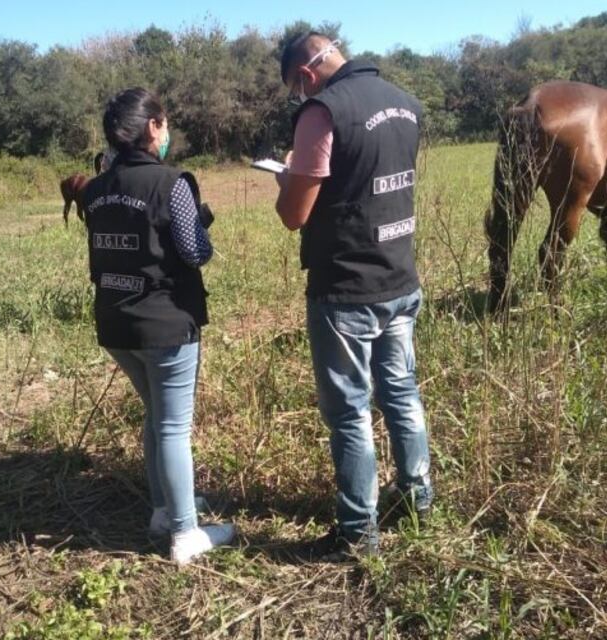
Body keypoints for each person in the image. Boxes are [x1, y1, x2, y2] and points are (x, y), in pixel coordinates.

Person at [273, 33, 433, 560]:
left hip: (346, 289)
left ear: (305, 74)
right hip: (401, 278)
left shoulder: (321, 113)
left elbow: (295, 214)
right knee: (403, 395)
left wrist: (285, 180)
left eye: (295, 87)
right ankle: (417, 500)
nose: (298, 96)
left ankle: (358, 531)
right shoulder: (407, 103)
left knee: (349, 413)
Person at [82, 87, 235, 565]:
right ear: (152, 127)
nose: (167, 132)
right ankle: (186, 534)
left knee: (155, 418)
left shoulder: (96, 187)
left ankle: (163, 509)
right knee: (173, 427)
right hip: (165, 324)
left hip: (116, 324)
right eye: (163, 123)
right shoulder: (172, 184)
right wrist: (204, 227)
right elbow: (195, 253)